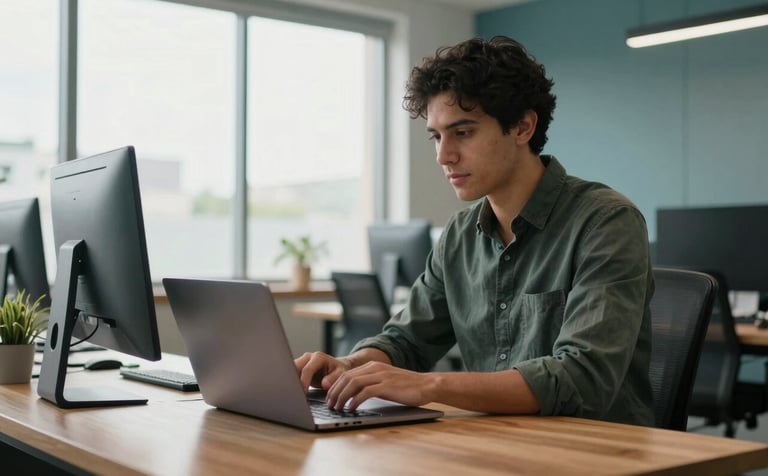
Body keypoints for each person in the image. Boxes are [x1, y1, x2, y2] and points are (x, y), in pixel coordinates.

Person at [295, 36, 655, 426]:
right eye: (436, 136)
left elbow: (582, 380)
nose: (443, 155)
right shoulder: (459, 235)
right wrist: (349, 366)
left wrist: (430, 387)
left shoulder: (606, 222)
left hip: (599, 451)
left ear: (522, 127)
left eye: (462, 133)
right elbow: (405, 341)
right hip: (496, 442)